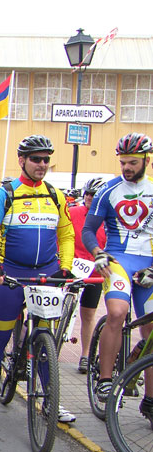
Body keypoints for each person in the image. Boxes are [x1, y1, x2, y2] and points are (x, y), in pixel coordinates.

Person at [0, 135, 77, 424]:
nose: (42, 165)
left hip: (46, 275)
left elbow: (66, 234)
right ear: (22, 161)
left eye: (46, 160)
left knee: (46, 342)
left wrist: (64, 269)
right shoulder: (4, 194)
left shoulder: (56, 195)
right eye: (36, 159)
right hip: (12, 276)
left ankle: (51, 399)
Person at [83, 133, 153, 412]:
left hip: (148, 264)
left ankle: (150, 400)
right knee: (116, 312)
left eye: (133, 163)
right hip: (117, 259)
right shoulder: (108, 190)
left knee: (151, 331)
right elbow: (88, 230)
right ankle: (105, 378)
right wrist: (98, 253)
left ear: (147, 160)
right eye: (123, 162)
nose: (126, 168)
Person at [69, 177, 106, 373]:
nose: (90, 197)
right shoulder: (73, 212)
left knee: (88, 314)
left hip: (94, 272)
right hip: (71, 268)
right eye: (88, 194)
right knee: (61, 309)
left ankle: (85, 355)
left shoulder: (107, 217)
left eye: (95, 194)